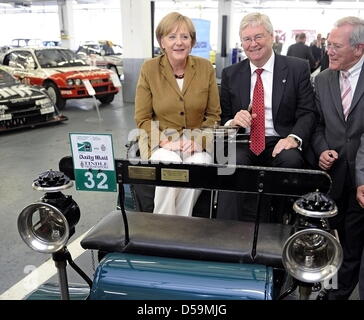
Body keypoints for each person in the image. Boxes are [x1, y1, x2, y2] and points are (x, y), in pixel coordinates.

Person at [217, 12, 316, 221]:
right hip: (244, 140)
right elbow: (223, 117)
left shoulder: (297, 68)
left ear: (272, 37)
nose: (253, 44)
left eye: (258, 37)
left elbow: (307, 112)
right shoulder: (230, 74)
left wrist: (293, 138)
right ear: (242, 42)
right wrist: (233, 121)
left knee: (291, 161)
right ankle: (225, 234)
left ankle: (278, 228)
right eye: (247, 39)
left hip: (281, 139)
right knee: (230, 163)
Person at [134, 12, 221, 217]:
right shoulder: (149, 68)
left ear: (192, 41)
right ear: (161, 41)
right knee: (169, 165)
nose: (179, 43)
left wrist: (198, 141)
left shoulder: (205, 67)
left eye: (184, 36)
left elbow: (214, 115)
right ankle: (170, 228)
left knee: (198, 166)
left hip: (197, 142)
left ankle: (169, 229)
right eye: (172, 37)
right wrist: (165, 142)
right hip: (160, 142)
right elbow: (142, 118)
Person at [311, 16, 364, 300]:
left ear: (359, 49)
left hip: (362, 175)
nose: (328, 51)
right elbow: (317, 125)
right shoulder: (322, 79)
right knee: (336, 233)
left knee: (355, 239)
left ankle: (340, 293)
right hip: (334, 175)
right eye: (327, 44)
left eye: (336, 46)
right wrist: (321, 150)